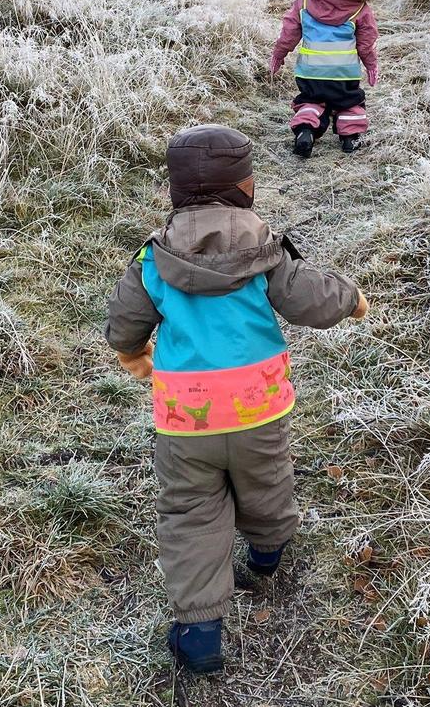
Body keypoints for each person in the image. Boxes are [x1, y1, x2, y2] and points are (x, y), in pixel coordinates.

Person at [106, 125, 368, 674]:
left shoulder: (153, 261)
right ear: (247, 187)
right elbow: (310, 300)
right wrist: (351, 299)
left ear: (175, 192)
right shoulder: (267, 255)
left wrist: (133, 354)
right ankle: (267, 552)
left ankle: (199, 632)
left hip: (185, 418)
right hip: (258, 408)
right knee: (266, 479)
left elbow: (125, 321)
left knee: (189, 510)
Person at [270, 0, 379, 158]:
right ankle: (350, 138)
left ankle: (305, 131)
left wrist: (279, 54)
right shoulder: (359, 7)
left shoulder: (304, 1)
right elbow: (366, 43)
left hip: (310, 71)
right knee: (349, 102)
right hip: (345, 73)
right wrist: (371, 65)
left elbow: (289, 33)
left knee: (310, 100)